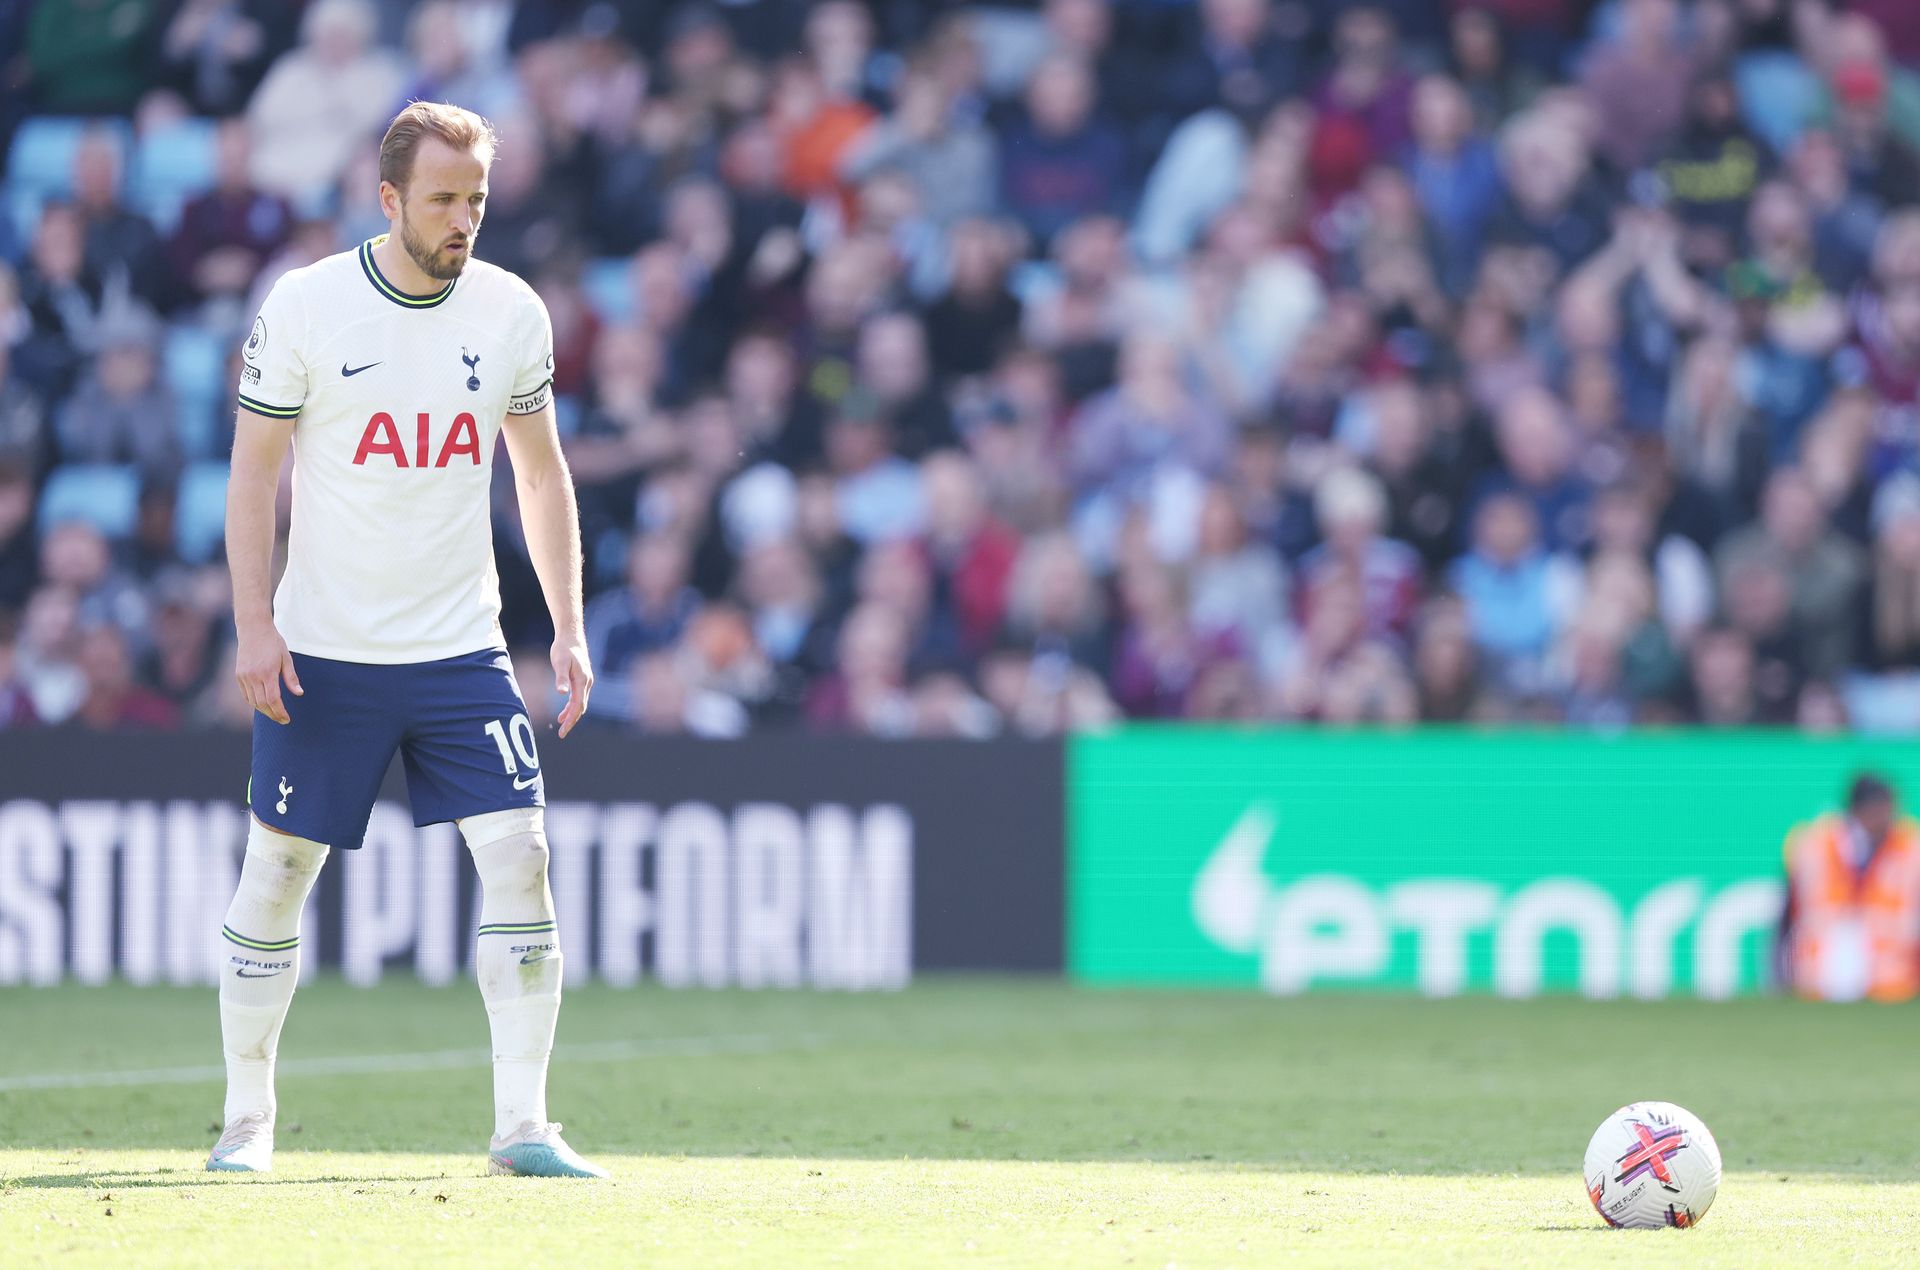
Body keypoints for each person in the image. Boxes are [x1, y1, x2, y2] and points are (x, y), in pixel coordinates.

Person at [211, 103, 603, 1178]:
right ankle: (247, 1122)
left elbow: (539, 472)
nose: (463, 217)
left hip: (460, 650)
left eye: (476, 198)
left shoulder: (513, 312)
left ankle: (523, 1125)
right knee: (279, 870)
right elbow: (252, 474)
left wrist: (566, 625)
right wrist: (255, 619)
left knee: (522, 857)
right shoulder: (309, 306)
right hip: (326, 649)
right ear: (389, 198)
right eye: (442, 198)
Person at [1779, 773, 1920, 1003]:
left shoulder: (1911, 845)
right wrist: (1781, 979)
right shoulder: (1814, 843)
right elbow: (1787, 917)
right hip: (1821, 978)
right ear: (1858, 809)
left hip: (1893, 983)